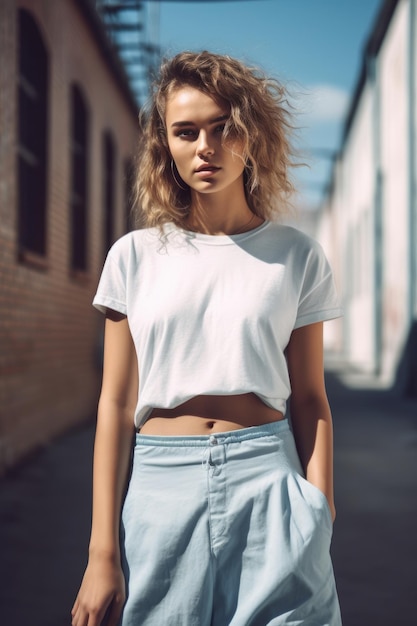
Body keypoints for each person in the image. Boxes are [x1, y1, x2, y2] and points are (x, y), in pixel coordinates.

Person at [71, 51, 343, 626]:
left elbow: (311, 396)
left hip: (270, 482)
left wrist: (320, 509)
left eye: (224, 129)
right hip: (161, 489)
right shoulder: (134, 257)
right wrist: (101, 553)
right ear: (164, 145)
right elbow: (116, 405)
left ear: (251, 135)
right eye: (186, 132)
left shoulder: (297, 257)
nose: (206, 148)